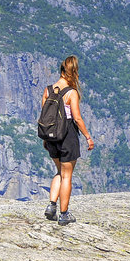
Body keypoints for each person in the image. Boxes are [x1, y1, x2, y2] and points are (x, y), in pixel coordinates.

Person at [42, 55, 94, 225]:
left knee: (59, 171)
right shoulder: (71, 93)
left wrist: (45, 138)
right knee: (67, 176)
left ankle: (51, 205)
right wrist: (87, 137)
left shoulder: (48, 90)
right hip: (67, 136)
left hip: (51, 137)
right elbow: (77, 118)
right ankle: (64, 214)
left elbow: (44, 116)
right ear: (73, 72)